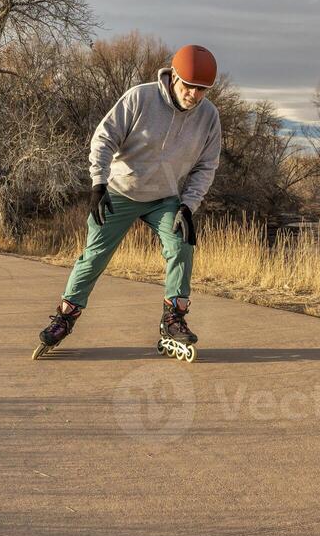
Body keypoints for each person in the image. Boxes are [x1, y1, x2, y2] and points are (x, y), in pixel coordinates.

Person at [36, 44, 223, 354]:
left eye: (202, 89)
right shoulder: (141, 97)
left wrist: (188, 206)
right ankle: (65, 318)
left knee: (181, 244)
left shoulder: (209, 116)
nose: (194, 94)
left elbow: (207, 166)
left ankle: (173, 319)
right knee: (94, 256)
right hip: (120, 191)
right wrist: (98, 184)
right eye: (189, 86)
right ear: (174, 76)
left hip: (164, 197)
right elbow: (104, 138)